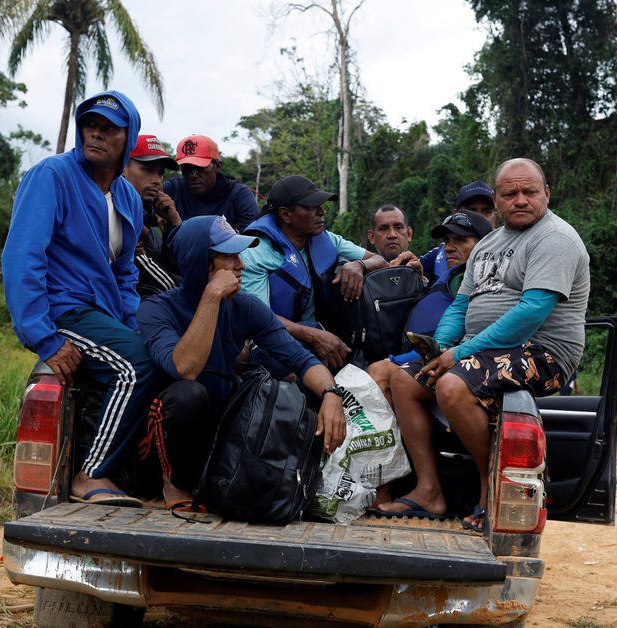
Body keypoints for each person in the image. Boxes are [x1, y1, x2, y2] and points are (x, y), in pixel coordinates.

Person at [372, 158, 590, 530]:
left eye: (529, 192)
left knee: (452, 385)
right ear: (497, 200)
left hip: (542, 352)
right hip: (483, 350)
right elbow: (460, 305)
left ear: (546, 193)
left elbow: (531, 312)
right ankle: (429, 491)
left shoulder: (555, 239)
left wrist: (459, 354)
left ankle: (491, 487)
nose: (520, 200)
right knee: (405, 379)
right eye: (509, 194)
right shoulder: (489, 242)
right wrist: (440, 348)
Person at [2, 90, 159, 507]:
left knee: (160, 356)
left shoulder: (127, 197)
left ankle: (140, 478)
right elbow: (23, 256)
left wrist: (130, 325)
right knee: (136, 366)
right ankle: (90, 474)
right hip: (62, 309)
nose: (96, 134)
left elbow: (125, 272)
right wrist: (43, 336)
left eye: (109, 128)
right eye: (90, 124)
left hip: (101, 314)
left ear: (128, 138)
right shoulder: (52, 176)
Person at [137, 216, 347, 510]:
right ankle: (174, 484)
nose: (241, 266)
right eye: (230, 257)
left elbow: (300, 359)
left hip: (216, 431)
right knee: (188, 394)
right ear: (201, 263)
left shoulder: (244, 306)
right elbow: (186, 368)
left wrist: (331, 394)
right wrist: (211, 295)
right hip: (162, 445)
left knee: (288, 392)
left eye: (240, 256)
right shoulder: (157, 309)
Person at [240, 175, 389, 371]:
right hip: (271, 341)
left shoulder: (326, 238)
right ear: (285, 214)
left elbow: (380, 261)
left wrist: (359, 265)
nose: (321, 212)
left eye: (320, 205)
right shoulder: (256, 251)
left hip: (322, 330)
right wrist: (315, 336)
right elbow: (259, 319)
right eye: (311, 207)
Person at [366, 209, 493, 402]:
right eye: (447, 241)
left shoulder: (479, 276)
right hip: (417, 351)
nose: (449, 248)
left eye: (460, 240)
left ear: (484, 245)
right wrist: (421, 282)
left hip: (441, 355)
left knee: (379, 371)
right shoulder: (450, 274)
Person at [160, 134, 259, 231]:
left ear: (218, 166)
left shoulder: (239, 195)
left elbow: (252, 238)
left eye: (200, 167)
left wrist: (177, 223)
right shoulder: (173, 190)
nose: (193, 175)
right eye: (187, 168)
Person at [122, 133, 180, 296]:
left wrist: (174, 224)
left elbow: (175, 266)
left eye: (160, 173)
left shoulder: (148, 214)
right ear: (123, 167)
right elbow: (167, 286)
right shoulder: (115, 208)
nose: (157, 180)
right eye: (148, 169)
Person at [420, 180, 499, 285]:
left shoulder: (510, 254)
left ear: (496, 215)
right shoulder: (438, 256)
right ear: (455, 214)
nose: (480, 217)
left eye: (487, 211)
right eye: (472, 210)